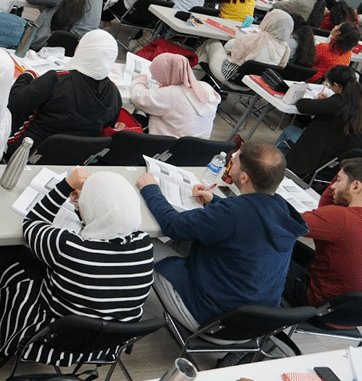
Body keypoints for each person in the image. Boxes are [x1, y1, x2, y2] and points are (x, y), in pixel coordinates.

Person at [0, 168, 154, 364]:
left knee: (10, 255)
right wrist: (82, 206)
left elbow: (32, 223)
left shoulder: (70, 248)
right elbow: (110, 223)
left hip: (48, 337)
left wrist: (65, 186)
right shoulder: (145, 246)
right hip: (102, 346)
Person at [137, 142, 307, 329]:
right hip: (254, 324)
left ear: (244, 177)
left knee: (143, 242)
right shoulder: (281, 210)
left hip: (210, 317)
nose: (230, 160)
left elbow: (172, 225)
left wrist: (151, 189)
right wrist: (214, 202)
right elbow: (246, 222)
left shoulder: (232, 213)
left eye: (234, 160)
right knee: (185, 240)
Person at [6, 30, 122, 154]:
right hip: (70, 157)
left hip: (26, 149)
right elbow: (107, 124)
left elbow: (13, 103)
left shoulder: (55, 80)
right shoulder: (114, 94)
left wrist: (28, 75)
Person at [284, 159, 362, 309]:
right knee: (294, 246)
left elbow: (283, 222)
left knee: (260, 250)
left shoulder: (340, 218)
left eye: (338, 180)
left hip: (316, 304)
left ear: (356, 186)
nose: (332, 186)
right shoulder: (341, 217)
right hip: (349, 312)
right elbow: (324, 208)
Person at [284, 66, 362, 181]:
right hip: (341, 158)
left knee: (289, 131)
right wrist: (326, 102)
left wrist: (325, 103)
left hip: (321, 156)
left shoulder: (339, 103)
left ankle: (279, 168)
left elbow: (302, 105)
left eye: (329, 85)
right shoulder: (356, 100)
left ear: (336, 86)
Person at [130, 53, 220, 139]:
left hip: (165, 146)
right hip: (196, 150)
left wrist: (140, 80)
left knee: (134, 120)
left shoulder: (172, 93)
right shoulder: (205, 88)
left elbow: (138, 98)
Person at [200, 9, 293, 84]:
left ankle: (193, 77)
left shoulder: (257, 38)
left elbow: (228, 47)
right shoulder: (285, 48)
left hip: (229, 76)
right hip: (253, 85)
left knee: (211, 42)